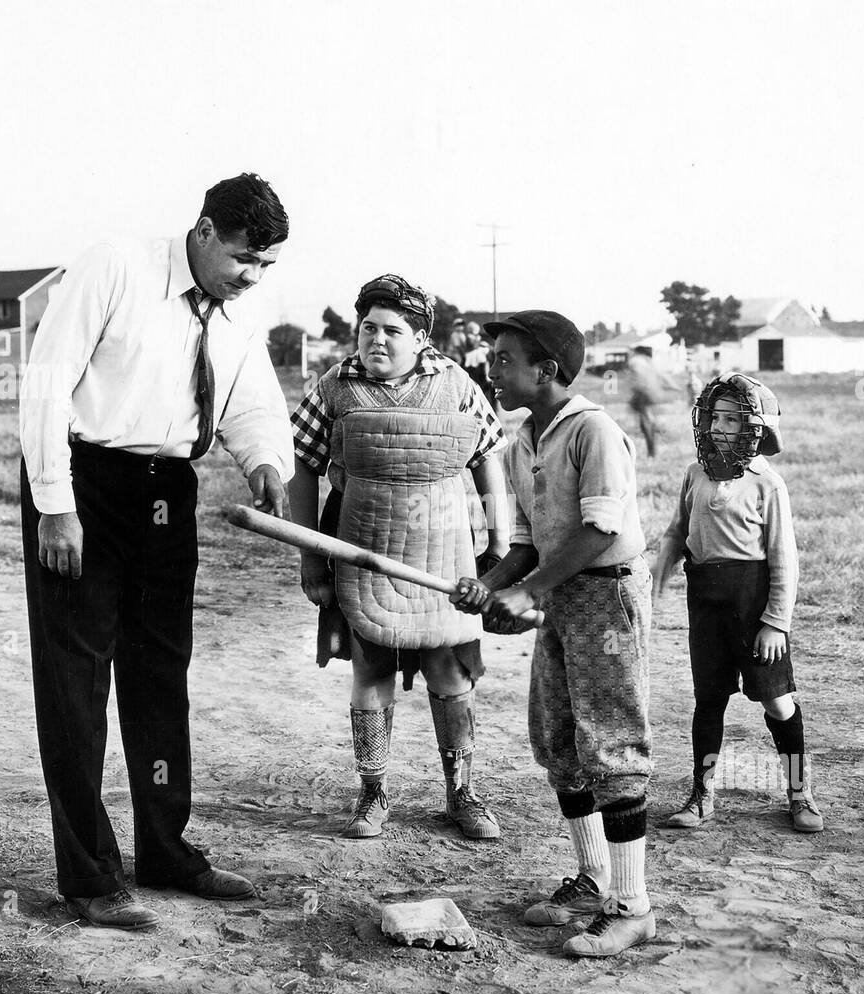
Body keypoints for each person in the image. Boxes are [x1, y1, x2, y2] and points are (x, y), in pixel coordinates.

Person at [19, 172, 294, 930]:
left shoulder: (240, 308)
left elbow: (251, 399)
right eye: (245, 258)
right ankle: (88, 874)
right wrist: (54, 505)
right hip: (85, 481)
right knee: (77, 680)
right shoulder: (116, 265)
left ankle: (165, 848)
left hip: (168, 491)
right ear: (204, 232)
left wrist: (266, 461)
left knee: (158, 670)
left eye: (266, 265)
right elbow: (45, 382)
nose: (254, 276)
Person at [453, 310, 656, 958]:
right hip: (564, 595)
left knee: (612, 741)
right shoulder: (520, 444)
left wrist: (529, 588)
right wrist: (488, 583)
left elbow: (599, 530)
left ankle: (632, 907)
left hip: (606, 594)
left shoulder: (592, 431)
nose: (493, 368)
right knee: (559, 737)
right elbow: (523, 544)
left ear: (548, 370)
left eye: (505, 358)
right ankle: (595, 882)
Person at [289, 274, 510, 842]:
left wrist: (500, 541)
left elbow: (488, 460)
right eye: (368, 328)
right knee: (371, 664)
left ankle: (462, 791)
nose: (377, 341)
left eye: (392, 330)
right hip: (359, 541)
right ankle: (373, 791)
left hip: (443, 546)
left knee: (449, 665)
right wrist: (311, 556)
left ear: (420, 339)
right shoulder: (336, 386)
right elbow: (303, 465)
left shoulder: (455, 384)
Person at [651, 373, 824, 834]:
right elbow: (676, 532)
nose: (718, 428)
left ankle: (798, 789)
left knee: (778, 702)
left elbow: (784, 560)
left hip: (753, 602)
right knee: (708, 700)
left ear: (755, 428)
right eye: (714, 417)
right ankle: (701, 794)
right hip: (705, 599)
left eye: (731, 419)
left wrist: (775, 623)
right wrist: (656, 578)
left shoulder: (768, 484)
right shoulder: (695, 474)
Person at [624, 344, 680, 458]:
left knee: (646, 423)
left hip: (643, 393)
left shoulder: (635, 361)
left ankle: (652, 449)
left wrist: (639, 387)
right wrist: (674, 386)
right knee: (646, 421)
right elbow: (662, 375)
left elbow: (639, 376)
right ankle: (656, 434)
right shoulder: (649, 361)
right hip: (651, 393)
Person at [462, 320, 496, 409]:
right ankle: (486, 375)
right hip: (471, 354)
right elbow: (472, 346)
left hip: (474, 353)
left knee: (486, 351)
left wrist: (481, 344)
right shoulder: (469, 337)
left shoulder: (474, 337)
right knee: (483, 356)